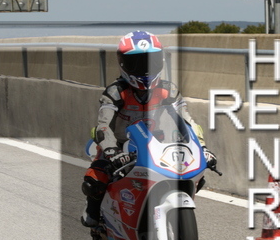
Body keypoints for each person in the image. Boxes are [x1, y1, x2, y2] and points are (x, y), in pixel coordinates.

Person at [81, 30, 217, 227]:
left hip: (156, 147)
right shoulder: (116, 92)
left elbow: (188, 121)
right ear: (122, 64)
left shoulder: (168, 90)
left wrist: (202, 148)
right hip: (119, 147)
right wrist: (111, 151)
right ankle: (94, 212)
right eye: (136, 63)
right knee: (95, 179)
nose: (144, 69)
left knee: (195, 175)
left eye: (150, 62)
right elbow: (103, 125)